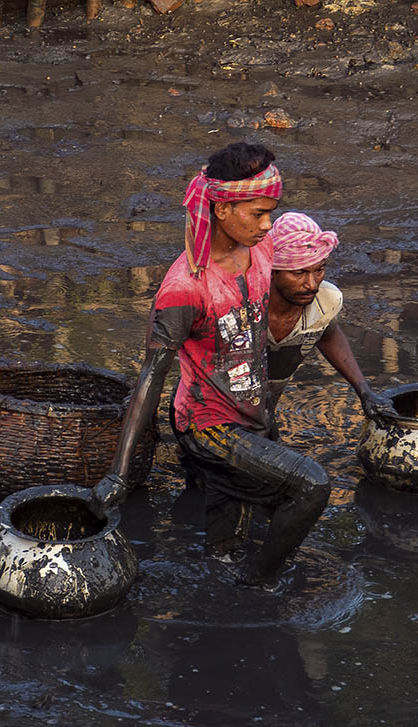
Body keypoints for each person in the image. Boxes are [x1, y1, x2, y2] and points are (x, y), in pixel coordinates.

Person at [89, 142, 335, 588]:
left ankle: (228, 600)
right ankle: (262, 583)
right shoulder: (184, 287)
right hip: (208, 425)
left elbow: (305, 292)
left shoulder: (261, 251)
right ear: (221, 210)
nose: (267, 225)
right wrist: (118, 475)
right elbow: (151, 374)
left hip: (252, 415)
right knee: (311, 486)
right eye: (257, 213)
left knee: (225, 552)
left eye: (270, 212)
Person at [265, 211, 393, 429]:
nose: (311, 284)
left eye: (319, 270)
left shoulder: (326, 301)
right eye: (299, 273)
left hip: (265, 411)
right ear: (273, 271)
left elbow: (328, 333)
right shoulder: (242, 305)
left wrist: (364, 391)